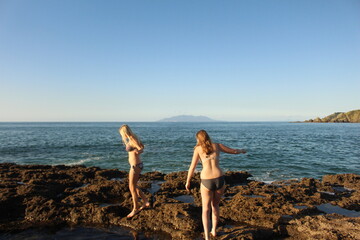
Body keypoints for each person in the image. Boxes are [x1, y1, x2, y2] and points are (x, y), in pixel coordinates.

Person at [185, 130, 246, 240]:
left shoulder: (198, 149)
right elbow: (234, 151)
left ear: (198, 139)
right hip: (219, 179)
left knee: (205, 210)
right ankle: (214, 230)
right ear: (208, 137)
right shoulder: (217, 146)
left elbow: (192, 167)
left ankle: (207, 237)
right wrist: (242, 150)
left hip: (206, 181)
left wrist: (187, 181)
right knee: (215, 206)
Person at [119, 124, 150, 218]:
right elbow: (142, 146)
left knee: (131, 188)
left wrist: (137, 152)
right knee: (134, 186)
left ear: (124, 132)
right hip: (136, 165)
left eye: (122, 133)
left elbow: (141, 149)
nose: (122, 136)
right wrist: (137, 150)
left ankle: (135, 208)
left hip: (136, 166)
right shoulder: (133, 137)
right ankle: (145, 202)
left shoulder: (132, 138)